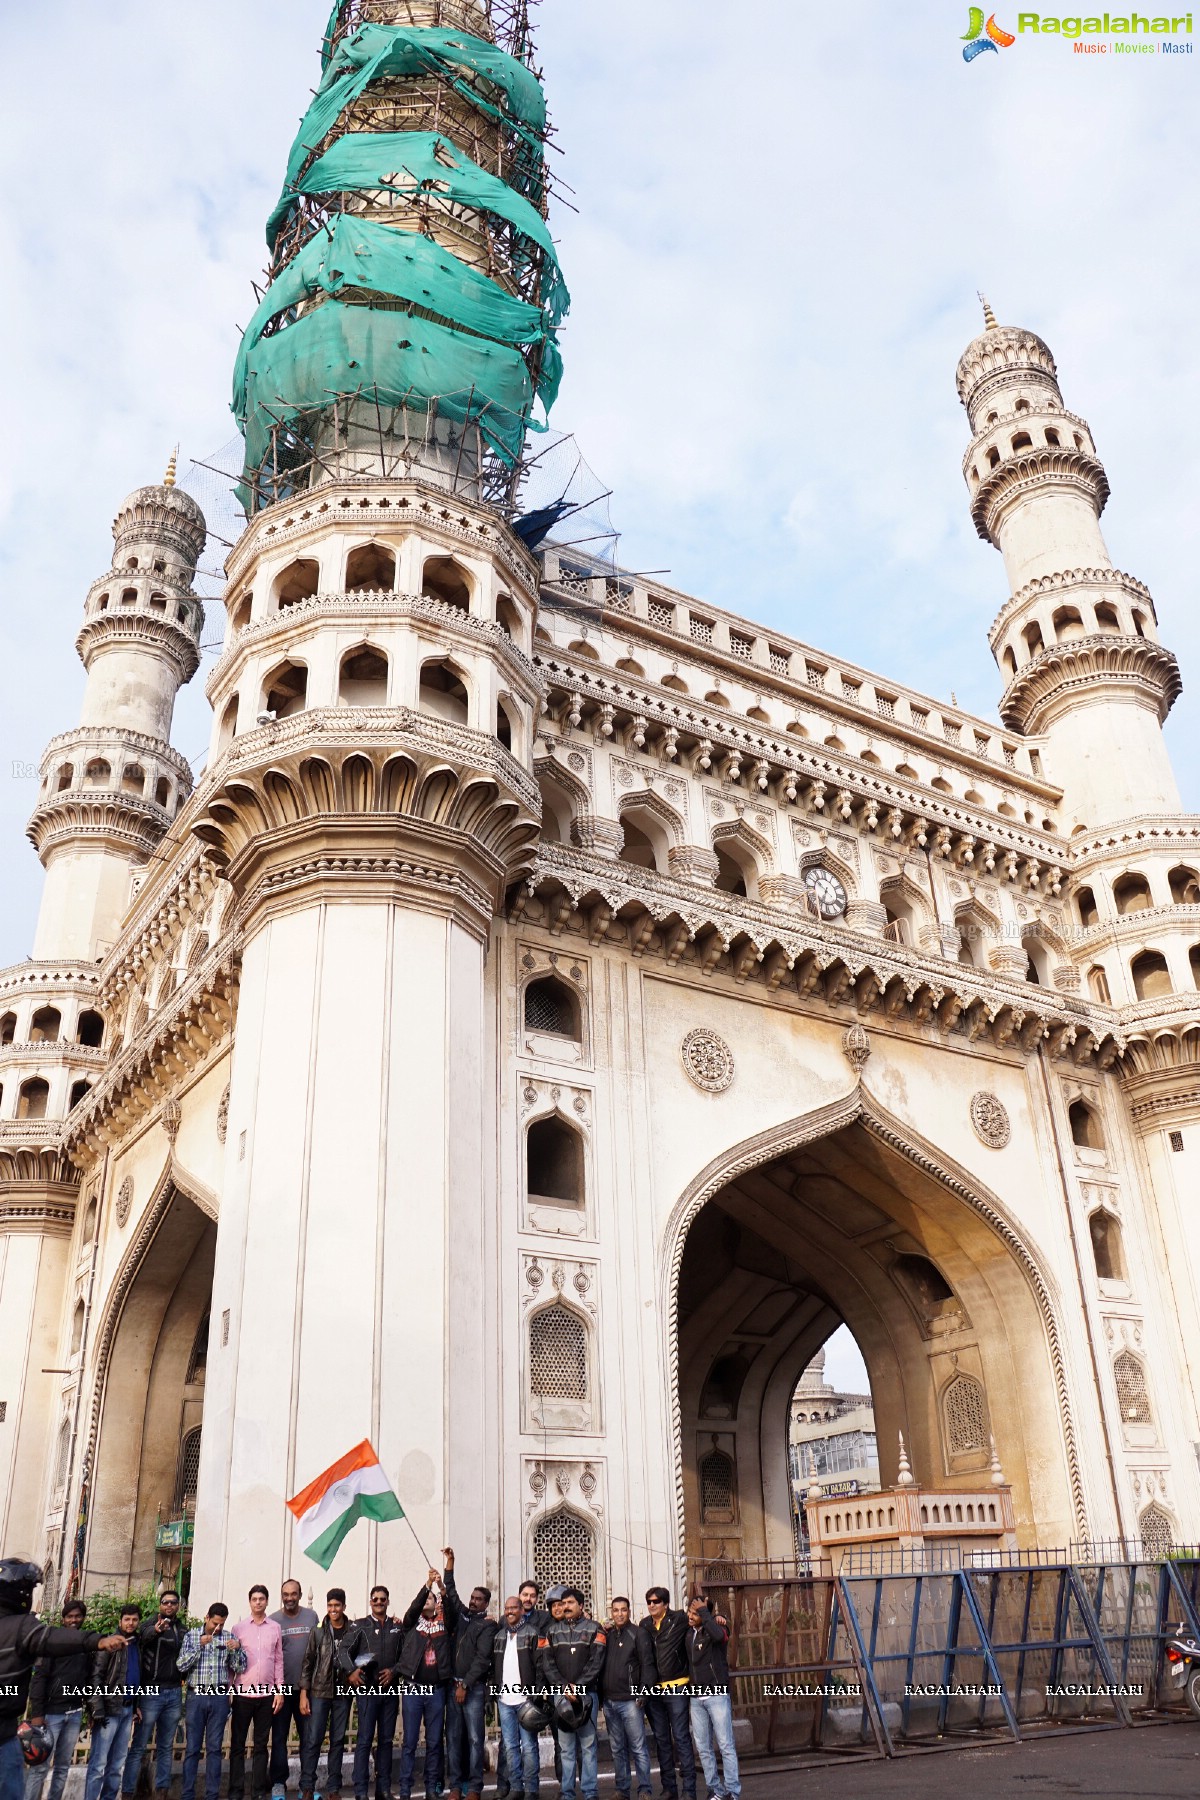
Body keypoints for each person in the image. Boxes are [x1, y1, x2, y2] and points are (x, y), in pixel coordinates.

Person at [0, 1560, 122, 1800]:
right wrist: (96, 1640)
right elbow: (49, 1639)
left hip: (64, 1712)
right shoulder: (21, 1627)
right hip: (5, 1735)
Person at [394, 1569, 459, 1800]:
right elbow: (412, 1608)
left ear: (437, 1603)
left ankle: (431, 1787)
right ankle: (405, 1790)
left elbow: (451, 1612)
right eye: (425, 1598)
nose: (426, 1601)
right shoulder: (412, 1622)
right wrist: (427, 1585)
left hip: (436, 1691)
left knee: (434, 1742)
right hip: (413, 1689)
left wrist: (441, 1588)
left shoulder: (444, 1622)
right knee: (409, 1742)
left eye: (430, 1599)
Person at [298, 1590, 367, 1800]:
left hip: (343, 1693)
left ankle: (334, 1788)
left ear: (344, 1607)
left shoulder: (353, 1631)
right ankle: (307, 1786)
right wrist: (304, 1693)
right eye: (330, 1605)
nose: (333, 1609)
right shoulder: (318, 1632)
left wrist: (355, 1670)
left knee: (337, 1740)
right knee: (313, 1739)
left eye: (337, 1605)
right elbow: (308, 1663)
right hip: (320, 1691)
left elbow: (362, 1657)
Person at [536, 1589, 606, 1800]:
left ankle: (590, 1793)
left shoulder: (596, 1629)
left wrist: (580, 1687)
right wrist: (563, 1687)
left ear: (581, 1605)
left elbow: (597, 1662)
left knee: (588, 1747)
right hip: (561, 1697)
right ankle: (567, 1793)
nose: (565, 1606)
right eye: (563, 1603)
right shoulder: (552, 1631)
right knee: (566, 1749)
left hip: (587, 1696)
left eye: (570, 1603)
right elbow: (548, 1664)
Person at [178, 1604, 247, 1800]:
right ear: (207, 1617)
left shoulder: (228, 1638)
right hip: (196, 1695)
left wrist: (237, 1650)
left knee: (215, 1748)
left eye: (221, 1624)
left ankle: (212, 1795)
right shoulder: (191, 1636)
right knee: (192, 1748)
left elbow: (240, 1668)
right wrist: (199, 1645)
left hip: (219, 1697)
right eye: (215, 1623)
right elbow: (181, 1664)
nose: (217, 1628)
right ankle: (187, 1794)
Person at [24, 1599, 92, 1800]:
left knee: (63, 1767)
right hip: (50, 1716)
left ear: (83, 1618)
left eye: (78, 1616)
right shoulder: (51, 1644)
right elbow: (39, 1680)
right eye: (70, 1616)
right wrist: (37, 1714)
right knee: (40, 1767)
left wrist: (89, 1709)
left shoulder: (85, 1645)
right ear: (63, 1619)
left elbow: (88, 1680)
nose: (74, 1620)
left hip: (74, 1714)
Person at [121, 1590, 185, 1800]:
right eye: (165, 1602)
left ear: (178, 1605)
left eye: (173, 1602)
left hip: (174, 1691)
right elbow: (144, 1639)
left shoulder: (181, 1629)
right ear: (160, 1605)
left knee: (166, 1746)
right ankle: (128, 1792)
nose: (169, 1606)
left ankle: (161, 1791)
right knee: (139, 1745)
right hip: (151, 1691)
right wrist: (156, 1631)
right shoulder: (149, 1624)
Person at [442, 1549, 495, 1800]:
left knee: (475, 1740)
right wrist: (450, 1563)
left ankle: (474, 1787)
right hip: (454, 1687)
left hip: (472, 1690)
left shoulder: (488, 1625)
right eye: (472, 1598)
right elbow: (450, 1593)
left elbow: (482, 1659)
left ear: (486, 1603)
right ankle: (455, 1785)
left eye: (478, 1599)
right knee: (453, 1738)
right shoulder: (463, 1616)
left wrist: (465, 1684)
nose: (473, 1601)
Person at [637, 1590, 696, 1800]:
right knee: (661, 1739)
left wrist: (719, 1616)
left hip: (677, 1686)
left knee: (681, 1737)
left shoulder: (678, 1619)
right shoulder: (644, 1625)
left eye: (656, 1602)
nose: (652, 1605)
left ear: (665, 1603)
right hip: (654, 1690)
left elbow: (701, 1611)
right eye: (649, 1602)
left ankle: (689, 1790)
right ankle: (669, 1788)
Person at [228, 1588, 283, 1800]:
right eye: (254, 1599)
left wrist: (280, 1691)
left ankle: (258, 1792)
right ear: (249, 1602)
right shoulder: (238, 1628)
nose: (258, 1602)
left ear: (267, 1602)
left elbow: (278, 1661)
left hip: (267, 1695)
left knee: (261, 1746)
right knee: (237, 1746)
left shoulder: (275, 1628)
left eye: (261, 1599)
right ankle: (235, 1792)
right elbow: (232, 1663)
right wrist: (228, 1690)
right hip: (242, 1695)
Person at [84, 1604, 142, 1800]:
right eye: (127, 1619)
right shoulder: (110, 1644)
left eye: (134, 1619)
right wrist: (96, 1710)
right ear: (120, 1621)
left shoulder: (136, 1644)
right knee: (99, 1765)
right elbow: (95, 1678)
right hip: (108, 1712)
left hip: (127, 1711)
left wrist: (135, 1706)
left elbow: (134, 1677)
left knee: (117, 1765)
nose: (131, 1623)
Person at [488, 1598, 542, 1800]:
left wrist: (536, 1693)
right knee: (510, 1747)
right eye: (507, 1608)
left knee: (529, 1747)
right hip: (504, 1700)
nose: (510, 1611)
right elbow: (494, 1669)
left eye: (514, 1608)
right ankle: (517, 1788)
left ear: (521, 1610)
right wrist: (492, 1693)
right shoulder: (500, 1636)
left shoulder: (532, 1632)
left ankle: (531, 1790)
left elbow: (540, 1666)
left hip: (525, 1700)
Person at [684, 1601, 738, 1800]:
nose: (690, 1616)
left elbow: (720, 1635)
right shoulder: (689, 1633)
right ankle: (715, 1790)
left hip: (717, 1695)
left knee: (725, 1745)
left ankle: (732, 1792)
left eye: (695, 1613)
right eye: (689, 1612)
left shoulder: (718, 1627)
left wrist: (709, 1615)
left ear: (705, 1613)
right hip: (696, 1698)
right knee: (703, 1748)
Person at [600, 1599, 652, 1800]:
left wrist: (643, 1693)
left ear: (629, 1611)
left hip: (631, 1701)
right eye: (615, 1610)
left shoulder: (638, 1633)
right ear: (611, 1613)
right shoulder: (608, 1635)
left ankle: (645, 1789)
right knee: (617, 1748)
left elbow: (647, 1665)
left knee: (638, 1747)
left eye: (623, 1610)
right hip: (610, 1702)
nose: (619, 1614)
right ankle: (622, 1789)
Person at [351, 1587, 400, 1800]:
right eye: (375, 1599)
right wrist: (350, 1671)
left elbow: (407, 1654)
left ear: (388, 1602)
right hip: (368, 1692)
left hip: (390, 1693)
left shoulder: (397, 1627)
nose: (379, 1602)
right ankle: (361, 1791)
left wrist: (394, 1671)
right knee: (364, 1740)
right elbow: (344, 1651)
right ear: (370, 1602)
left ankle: (384, 1789)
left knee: (387, 1741)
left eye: (383, 1599)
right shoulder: (361, 1626)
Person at [269, 1581, 316, 1798]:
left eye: (293, 1594)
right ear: (281, 1595)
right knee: (279, 1737)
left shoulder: (311, 1617)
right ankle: (279, 1782)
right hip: (281, 1690)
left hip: (307, 1689)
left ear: (299, 1595)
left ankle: (307, 1785)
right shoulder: (273, 1620)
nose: (289, 1598)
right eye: (285, 1594)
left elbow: (317, 1648)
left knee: (308, 1737)